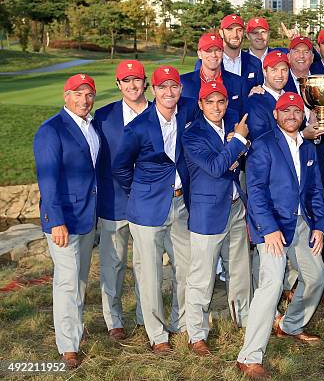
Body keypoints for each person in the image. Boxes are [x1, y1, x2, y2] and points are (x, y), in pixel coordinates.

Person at [236, 92, 324, 379]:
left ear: (303, 116)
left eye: (296, 111)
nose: (291, 115)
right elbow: (257, 192)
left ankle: (290, 324)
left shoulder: (308, 148)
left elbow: (313, 191)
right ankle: (249, 356)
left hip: (301, 224)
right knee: (272, 284)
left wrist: (319, 226)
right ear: (276, 115)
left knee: (316, 277)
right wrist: (270, 229)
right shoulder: (263, 146)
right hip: (272, 226)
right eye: (285, 111)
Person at [113, 66, 199, 354]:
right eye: (163, 87)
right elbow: (121, 167)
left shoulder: (187, 112)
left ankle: (182, 322)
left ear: (180, 89)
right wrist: (140, 191)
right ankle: (157, 334)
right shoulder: (137, 127)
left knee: (186, 267)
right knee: (149, 273)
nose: (169, 92)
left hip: (181, 204)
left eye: (174, 86)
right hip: (147, 208)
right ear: (154, 90)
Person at [33, 73, 99, 368]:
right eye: (77, 94)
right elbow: (47, 181)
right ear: (66, 95)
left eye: (88, 94)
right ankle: (68, 347)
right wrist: (55, 220)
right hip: (64, 220)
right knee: (67, 282)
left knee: (79, 280)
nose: (83, 100)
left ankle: (74, 330)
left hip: (87, 215)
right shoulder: (51, 130)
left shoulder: (90, 127)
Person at [182, 81, 252, 356]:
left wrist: (236, 148)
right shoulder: (193, 134)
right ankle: (196, 334)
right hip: (207, 212)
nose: (216, 107)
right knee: (201, 276)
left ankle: (244, 318)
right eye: (209, 102)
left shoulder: (231, 127)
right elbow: (214, 166)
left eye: (220, 101)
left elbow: (237, 159)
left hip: (235, 206)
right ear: (200, 105)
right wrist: (237, 143)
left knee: (240, 270)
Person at [93, 60, 149, 340]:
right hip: (114, 202)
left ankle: (144, 315)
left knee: (145, 263)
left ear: (145, 82)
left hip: (149, 203)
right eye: (126, 81)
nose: (132, 86)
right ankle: (113, 319)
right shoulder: (103, 117)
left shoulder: (159, 111)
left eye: (136, 80)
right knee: (113, 264)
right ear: (118, 85)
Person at [181, 33, 246, 117]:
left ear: (223, 53)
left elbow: (243, 114)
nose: (214, 55)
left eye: (218, 50)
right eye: (208, 51)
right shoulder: (184, 82)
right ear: (199, 54)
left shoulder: (238, 82)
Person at [245, 51, 290, 140]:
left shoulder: (292, 98)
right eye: (274, 70)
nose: (280, 75)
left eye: (284, 70)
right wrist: (302, 135)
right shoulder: (255, 102)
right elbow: (261, 141)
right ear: (264, 72)